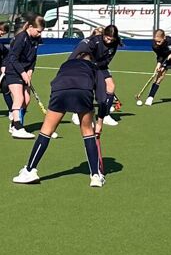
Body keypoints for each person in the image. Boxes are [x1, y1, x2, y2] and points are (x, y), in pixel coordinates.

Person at [11, 52, 105, 187]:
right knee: (87, 131)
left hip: (59, 91)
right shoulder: (94, 68)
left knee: (46, 131)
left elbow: (54, 82)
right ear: (92, 61)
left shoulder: (66, 64)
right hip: (83, 91)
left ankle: (29, 171)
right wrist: (100, 122)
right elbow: (102, 97)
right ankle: (95, 176)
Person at [68, 24, 121, 128]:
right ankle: (76, 114)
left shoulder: (115, 43)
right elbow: (78, 55)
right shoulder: (93, 41)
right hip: (86, 65)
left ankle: (105, 115)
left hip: (101, 66)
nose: (109, 41)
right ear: (103, 35)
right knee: (86, 88)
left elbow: (108, 60)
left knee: (111, 86)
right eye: (107, 38)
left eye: (111, 39)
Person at [4, 15, 44, 139]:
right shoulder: (21, 38)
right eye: (38, 31)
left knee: (26, 100)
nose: (39, 34)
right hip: (14, 71)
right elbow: (13, 58)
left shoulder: (36, 39)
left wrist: (30, 71)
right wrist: (23, 73)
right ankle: (18, 127)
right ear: (30, 27)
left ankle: (14, 124)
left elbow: (33, 58)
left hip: (26, 71)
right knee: (19, 98)